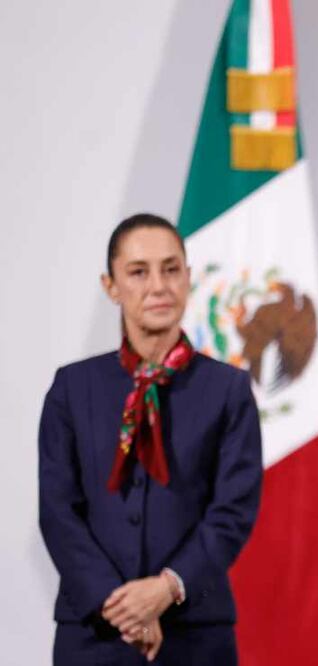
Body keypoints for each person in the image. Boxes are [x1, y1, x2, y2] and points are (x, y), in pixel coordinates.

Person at [38, 213, 262, 664]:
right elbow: (58, 510)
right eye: (138, 272)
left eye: (171, 268)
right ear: (111, 286)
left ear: (189, 277)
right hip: (94, 631)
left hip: (197, 632)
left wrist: (166, 588)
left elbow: (233, 511)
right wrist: (122, 607)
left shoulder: (228, 389)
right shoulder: (71, 387)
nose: (158, 285)